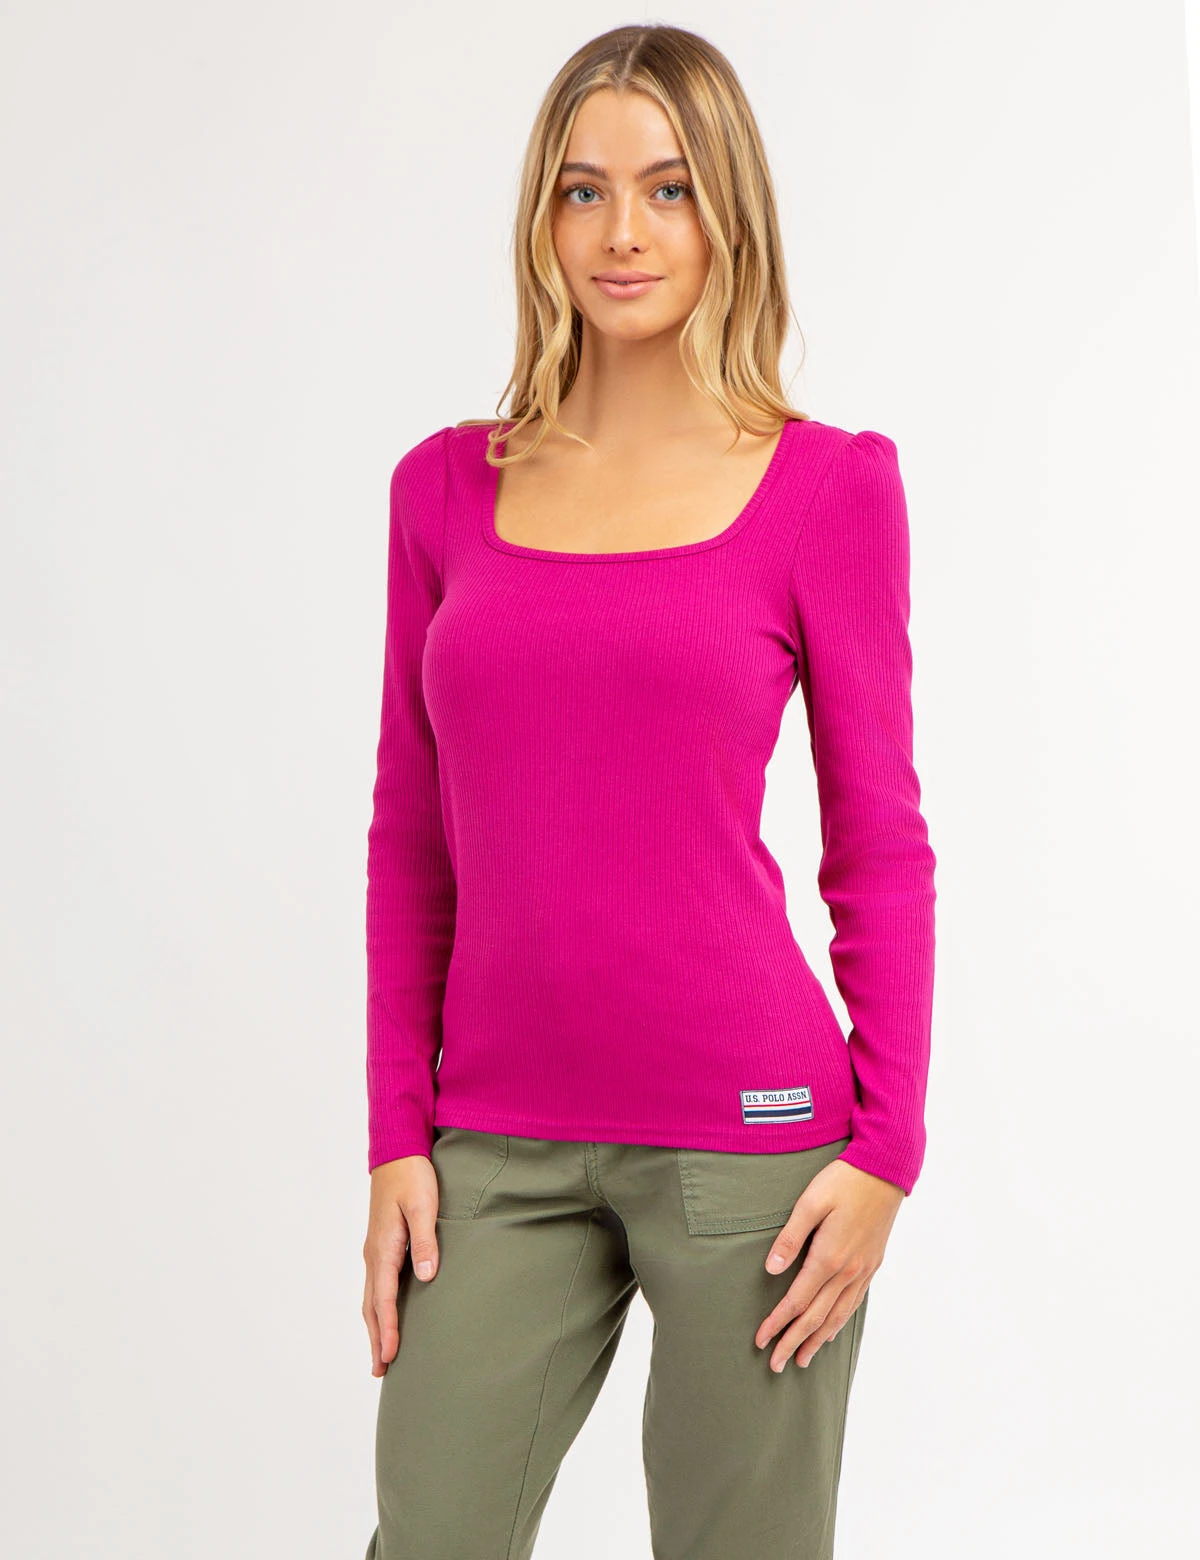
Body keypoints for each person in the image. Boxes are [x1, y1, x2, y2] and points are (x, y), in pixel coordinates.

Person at [360, 22, 937, 1560]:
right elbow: (411, 842)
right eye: (584, 189)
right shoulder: (443, 489)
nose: (623, 232)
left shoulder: (828, 489)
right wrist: (397, 1134)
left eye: (669, 188)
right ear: (541, 218)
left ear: (726, 208)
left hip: (754, 1137)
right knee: (431, 1532)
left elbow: (879, 844)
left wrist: (887, 1150)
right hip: (492, 1140)